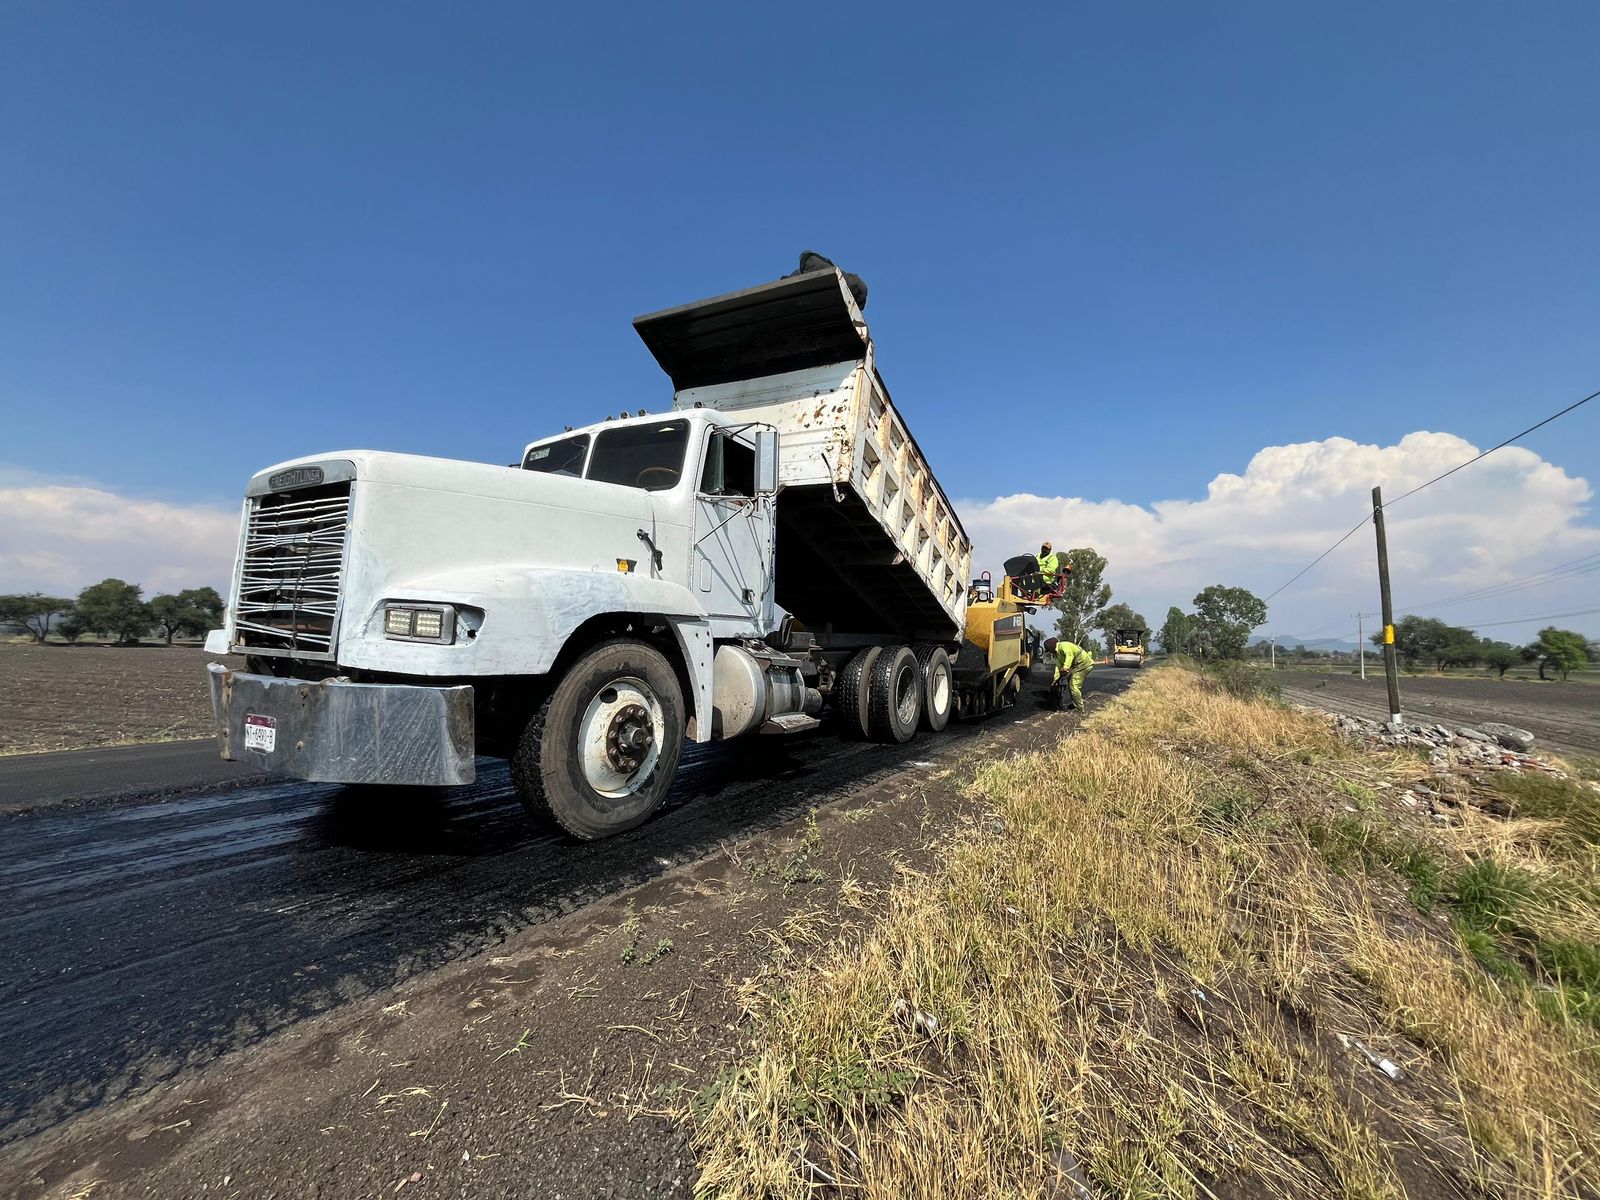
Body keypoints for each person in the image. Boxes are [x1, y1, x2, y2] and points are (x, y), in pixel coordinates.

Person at [1050, 636, 1095, 711]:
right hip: (1078, 666)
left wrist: (1066, 667)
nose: (1050, 652)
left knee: (1074, 685)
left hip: (1084, 664)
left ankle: (1080, 708)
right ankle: (1076, 703)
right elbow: (1058, 667)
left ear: (1052, 648)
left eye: (1049, 650)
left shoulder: (1064, 646)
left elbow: (1069, 655)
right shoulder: (1057, 654)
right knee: (1071, 682)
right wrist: (1055, 680)